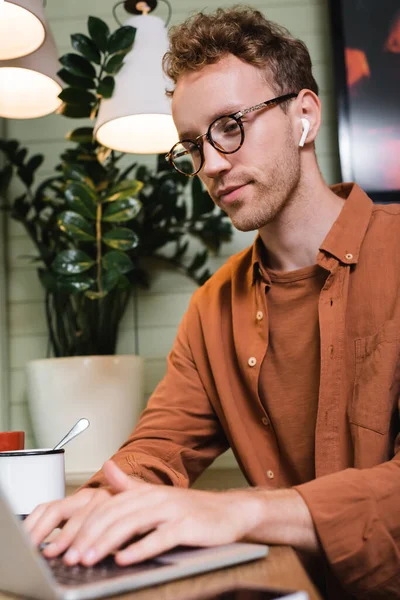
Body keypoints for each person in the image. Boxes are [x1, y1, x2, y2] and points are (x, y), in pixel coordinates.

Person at [25, 7, 400, 599]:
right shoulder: (213, 306)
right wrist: (95, 509)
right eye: (194, 145)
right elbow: (158, 447)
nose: (212, 165)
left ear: (304, 114)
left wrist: (243, 512)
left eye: (230, 125)